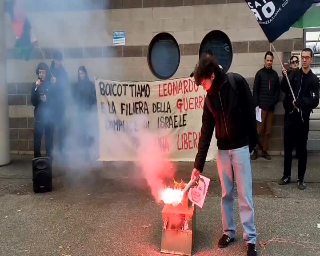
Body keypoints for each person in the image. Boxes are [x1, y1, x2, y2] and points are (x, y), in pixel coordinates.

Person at [191, 56, 258, 256]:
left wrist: (251, 145)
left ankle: (251, 239)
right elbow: (205, 132)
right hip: (223, 150)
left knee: (245, 195)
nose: (203, 87)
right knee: (226, 194)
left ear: (212, 75)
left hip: (240, 148)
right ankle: (228, 232)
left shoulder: (236, 82)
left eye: (203, 82)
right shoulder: (209, 98)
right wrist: (198, 165)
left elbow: (250, 113)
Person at [279, 48, 319, 190]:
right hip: (290, 117)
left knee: (302, 149)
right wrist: (284, 76)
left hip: (303, 120)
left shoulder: (314, 80)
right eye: (302, 57)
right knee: (288, 147)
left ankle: (301, 178)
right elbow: (284, 88)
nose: (304, 60)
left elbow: (314, 101)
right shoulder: (294, 74)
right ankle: (286, 175)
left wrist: (300, 102)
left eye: (307, 57)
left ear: (311, 59)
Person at [251, 51, 280, 160]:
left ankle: (264, 150)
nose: (269, 62)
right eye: (267, 60)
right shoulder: (259, 74)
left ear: (273, 61)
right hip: (261, 108)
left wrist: (274, 101)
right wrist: (257, 105)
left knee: (267, 131)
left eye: (271, 60)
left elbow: (277, 91)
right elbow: (255, 90)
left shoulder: (275, 75)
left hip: (271, 108)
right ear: (264, 61)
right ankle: (255, 150)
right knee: (259, 131)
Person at [31, 63, 54, 158]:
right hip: (39, 115)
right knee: (37, 138)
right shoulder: (35, 85)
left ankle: (49, 158)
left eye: (43, 72)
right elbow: (33, 101)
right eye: (40, 72)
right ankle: (37, 158)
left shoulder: (51, 83)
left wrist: (47, 99)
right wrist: (36, 89)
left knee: (49, 138)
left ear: (46, 73)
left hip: (49, 116)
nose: (41, 74)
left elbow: (56, 99)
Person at [73, 66, 97, 159]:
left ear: (85, 74)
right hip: (80, 112)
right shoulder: (77, 85)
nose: (81, 75)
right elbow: (75, 98)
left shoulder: (90, 84)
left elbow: (94, 98)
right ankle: (83, 152)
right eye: (79, 73)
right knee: (82, 132)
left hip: (88, 112)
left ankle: (89, 152)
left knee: (89, 132)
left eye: (82, 73)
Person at [50, 50, 69, 157]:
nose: (58, 62)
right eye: (57, 60)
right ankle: (51, 150)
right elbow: (46, 87)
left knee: (61, 127)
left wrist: (59, 82)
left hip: (61, 105)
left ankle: (61, 149)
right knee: (51, 128)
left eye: (60, 60)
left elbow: (65, 86)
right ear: (54, 60)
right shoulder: (49, 71)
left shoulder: (63, 72)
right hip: (52, 105)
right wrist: (51, 83)